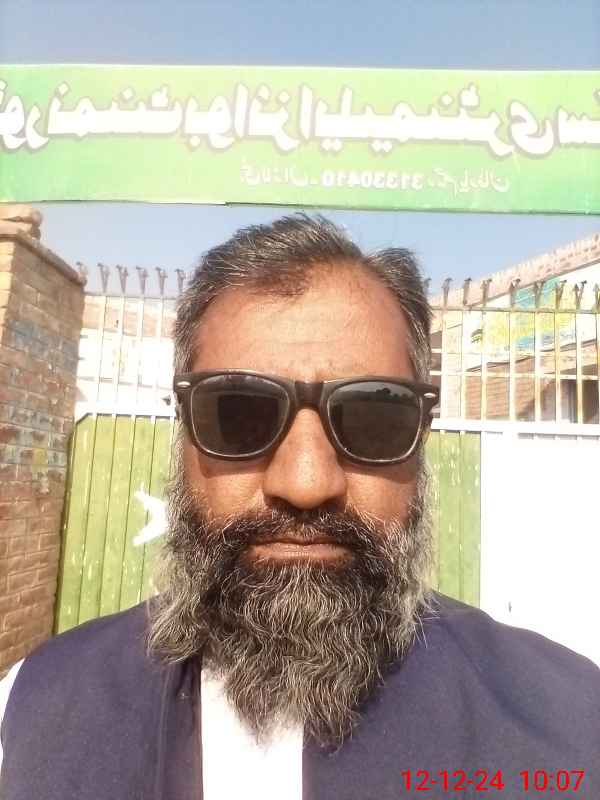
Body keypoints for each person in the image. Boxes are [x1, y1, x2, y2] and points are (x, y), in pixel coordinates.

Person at [0, 214, 598, 799]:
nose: (307, 483)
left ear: (420, 441)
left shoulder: (570, 728)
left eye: (373, 415)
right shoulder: (30, 715)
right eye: (239, 413)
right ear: (183, 434)